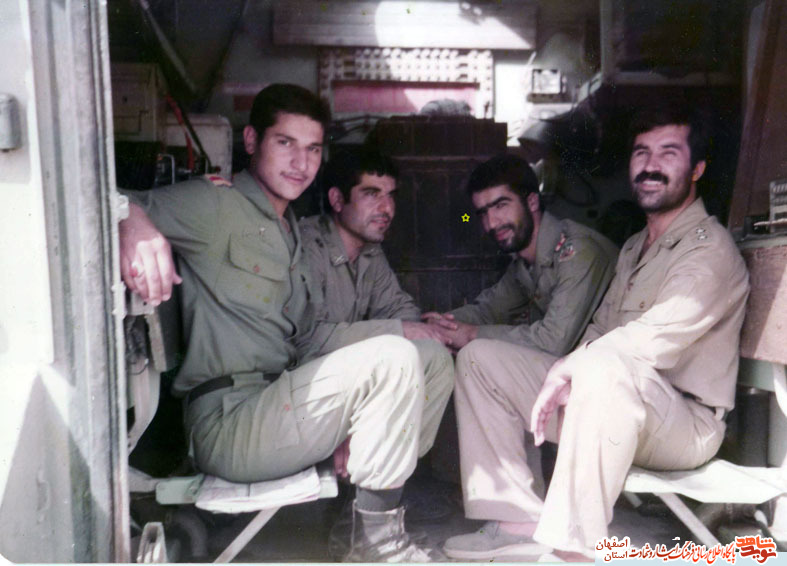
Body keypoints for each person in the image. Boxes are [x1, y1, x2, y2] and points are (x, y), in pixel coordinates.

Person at [119, 83, 438, 562]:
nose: (301, 163)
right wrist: (132, 220)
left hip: (278, 405)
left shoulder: (287, 227)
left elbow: (304, 337)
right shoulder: (216, 206)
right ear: (252, 141)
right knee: (394, 359)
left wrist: (360, 417)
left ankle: (359, 516)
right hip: (231, 421)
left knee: (431, 358)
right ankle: (374, 546)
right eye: (285, 143)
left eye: (313, 149)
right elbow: (110, 196)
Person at [442, 103, 749, 561]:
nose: (650, 165)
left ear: (697, 169)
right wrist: (573, 365)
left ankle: (576, 547)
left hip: (684, 424)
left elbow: (648, 340)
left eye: (668, 153)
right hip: (615, 401)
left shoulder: (709, 250)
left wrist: (572, 366)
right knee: (480, 359)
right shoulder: (635, 246)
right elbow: (600, 331)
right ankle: (516, 520)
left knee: (604, 366)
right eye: (641, 152)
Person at [299, 148, 453, 461]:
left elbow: (397, 307)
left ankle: (381, 469)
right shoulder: (307, 247)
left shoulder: (369, 250)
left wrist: (425, 327)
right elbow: (306, 340)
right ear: (337, 200)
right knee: (413, 354)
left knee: (435, 355)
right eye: (371, 194)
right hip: (299, 388)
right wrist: (401, 330)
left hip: (342, 382)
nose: (387, 208)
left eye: (390, 195)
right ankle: (371, 466)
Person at [424, 154, 618, 356]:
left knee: (475, 354)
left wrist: (472, 334)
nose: (491, 223)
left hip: (608, 365)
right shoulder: (524, 262)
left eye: (501, 205)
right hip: (575, 361)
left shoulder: (578, 252)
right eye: (483, 213)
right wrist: (440, 323)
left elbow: (553, 341)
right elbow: (489, 310)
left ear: (532, 202)